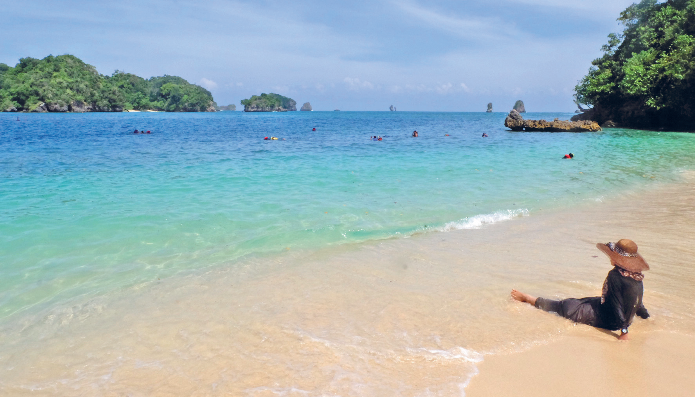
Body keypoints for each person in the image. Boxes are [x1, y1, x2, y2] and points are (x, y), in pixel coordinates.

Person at [511, 239, 650, 341]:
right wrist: (646, 317)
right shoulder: (636, 276)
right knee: (583, 301)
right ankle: (537, 300)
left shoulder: (615, 276)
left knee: (565, 306)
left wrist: (624, 332)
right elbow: (638, 301)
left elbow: (616, 305)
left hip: (611, 320)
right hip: (623, 318)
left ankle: (529, 299)